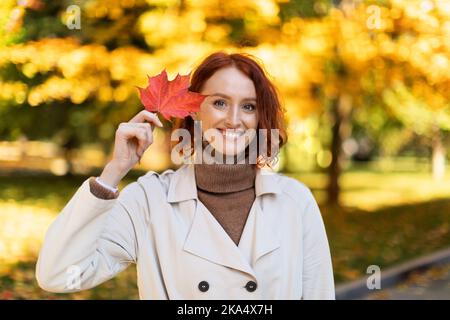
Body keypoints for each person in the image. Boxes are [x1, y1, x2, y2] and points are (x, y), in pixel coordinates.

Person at [36, 51, 335, 299]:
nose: (233, 119)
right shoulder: (150, 200)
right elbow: (57, 274)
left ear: (259, 118)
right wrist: (113, 172)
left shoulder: (295, 202)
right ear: (193, 110)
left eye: (248, 107)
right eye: (219, 102)